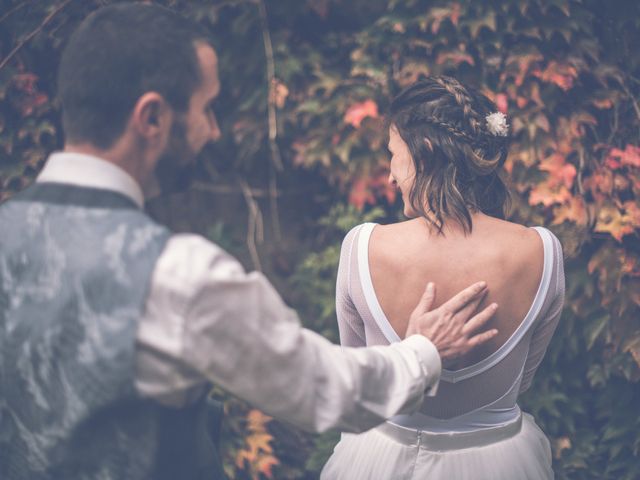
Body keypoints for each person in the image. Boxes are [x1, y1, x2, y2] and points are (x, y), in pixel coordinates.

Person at [0, 5, 500, 480]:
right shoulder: (178, 274)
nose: (214, 131)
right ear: (151, 118)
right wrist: (424, 352)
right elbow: (321, 390)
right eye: (207, 109)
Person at [321, 76, 565, 480]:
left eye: (393, 156)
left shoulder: (363, 248)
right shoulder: (542, 252)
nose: (389, 176)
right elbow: (520, 383)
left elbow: (362, 381)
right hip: (501, 464)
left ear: (426, 153)